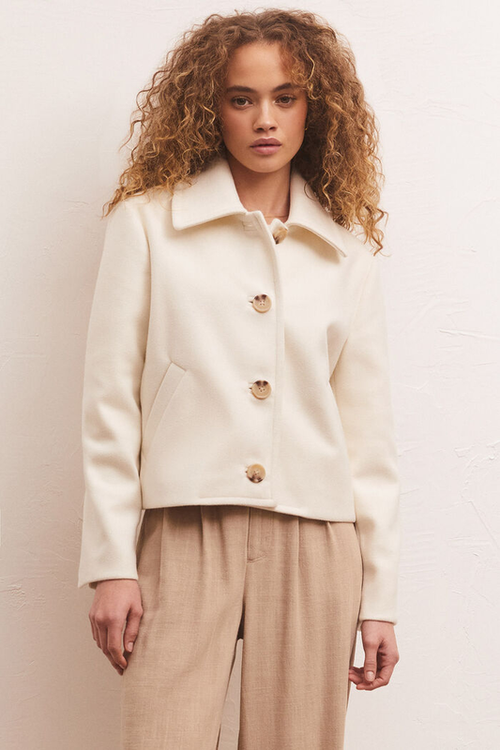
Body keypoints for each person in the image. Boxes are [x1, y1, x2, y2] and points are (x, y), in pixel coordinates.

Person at [77, 8, 402, 749]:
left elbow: (369, 438)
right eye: (241, 98)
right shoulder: (149, 225)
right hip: (184, 527)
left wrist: (379, 598)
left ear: (315, 109)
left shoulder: (346, 254)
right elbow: (109, 406)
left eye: (286, 97)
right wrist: (111, 563)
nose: (265, 119)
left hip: (316, 536)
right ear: (209, 107)